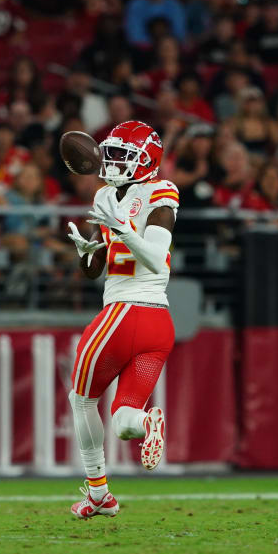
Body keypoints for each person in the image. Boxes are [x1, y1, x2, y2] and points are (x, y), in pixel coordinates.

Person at [62, 120, 177, 519]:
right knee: (126, 421)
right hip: (157, 327)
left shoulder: (161, 193)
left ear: (147, 161)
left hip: (127, 312)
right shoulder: (106, 195)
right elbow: (96, 269)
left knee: (81, 399)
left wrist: (123, 230)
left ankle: (98, 494)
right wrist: (85, 252)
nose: (110, 162)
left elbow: (157, 260)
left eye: (122, 156)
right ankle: (149, 424)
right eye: (109, 153)